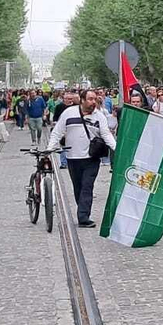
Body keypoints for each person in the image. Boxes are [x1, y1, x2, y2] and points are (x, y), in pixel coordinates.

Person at [51, 89, 117, 228]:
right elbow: (57, 132)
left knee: (87, 186)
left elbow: (106, 135)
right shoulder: (69, 113)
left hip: (91, 158)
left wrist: (117, 149)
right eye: (90, 99)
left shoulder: (99, 116)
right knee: (78, 187)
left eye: (95, 99)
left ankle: (83, 217)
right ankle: (82, 209)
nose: (93, 102)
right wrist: (50, 148)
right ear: (82, 100)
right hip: (73, 157)